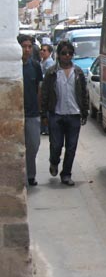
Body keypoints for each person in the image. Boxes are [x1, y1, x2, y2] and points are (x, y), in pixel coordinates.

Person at [41, 40, 89, 186]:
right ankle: (54, 162)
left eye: (69, 53)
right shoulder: (52, 73)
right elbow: (45, 94)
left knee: (71, 146)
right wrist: (44, 114)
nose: (67, 56)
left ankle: (66, 174)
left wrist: (84, 112)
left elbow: (84, 94)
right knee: (56, 145)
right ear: (58, 55)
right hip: (56, 114)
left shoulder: (78, 73)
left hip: (74, 115)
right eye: (63, 53)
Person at [19, 34, 43, 187]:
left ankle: (30, 174)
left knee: (33, 145)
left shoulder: (35, 66)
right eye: (24, 47)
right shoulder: (13, 67)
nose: (27, 50)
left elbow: (39, 90)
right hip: (17, 114)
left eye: (29, 46)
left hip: (32, 113)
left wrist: (40, 109)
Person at [39, 43, 55, 135]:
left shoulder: (49, 62)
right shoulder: (43, 61)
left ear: (49, 52)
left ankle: (47, 128)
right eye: (41, 50)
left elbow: (47, 76)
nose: (42, 51)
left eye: (44, 50)